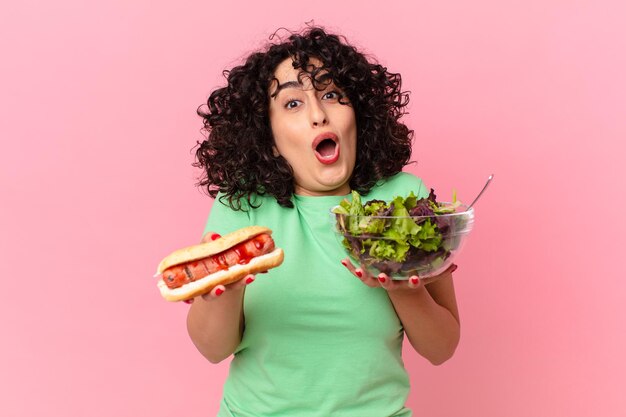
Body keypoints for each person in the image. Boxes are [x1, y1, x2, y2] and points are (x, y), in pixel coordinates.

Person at [186, 26, 460, 417]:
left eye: (332, 95)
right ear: (269, 135)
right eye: (292, 104)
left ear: (359, 114)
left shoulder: (404, 202)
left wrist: (401, 286)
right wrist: (225, 289)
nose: (318, 114)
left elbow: (442, 348)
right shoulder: (241, 207)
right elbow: (213, 350)